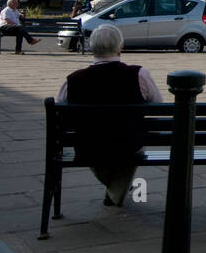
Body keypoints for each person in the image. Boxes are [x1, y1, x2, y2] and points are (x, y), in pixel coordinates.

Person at [56, 23, 163, 207]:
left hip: (89, 146)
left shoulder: (73, 80)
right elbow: (159, 106)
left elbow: (61, 115)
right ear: (120, 47)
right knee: (131, 149)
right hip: (128, 144)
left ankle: (115, 190)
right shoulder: (139, 74)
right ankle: (117, 190)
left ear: (92, 47)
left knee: (95, 148)